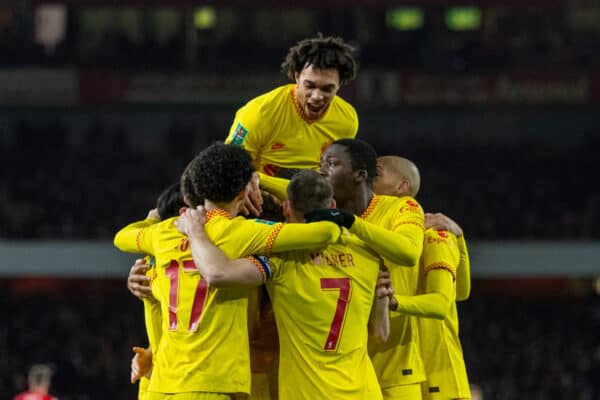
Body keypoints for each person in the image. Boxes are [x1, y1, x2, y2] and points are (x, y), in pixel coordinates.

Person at [114, 143, 342, 399]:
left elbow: (122, 237)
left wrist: (154, 218)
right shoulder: (242, 231)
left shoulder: (165, 232)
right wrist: (263, 181)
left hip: (165, 385)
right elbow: (328, 231)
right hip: (215, 382)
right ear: (244, 193)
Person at [176, 170, 392, 400]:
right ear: (333, 204)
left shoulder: (279, 259)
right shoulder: (368, 254)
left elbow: (218, 272)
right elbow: (380, 334)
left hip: (306, 393)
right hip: (363, 392)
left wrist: (194, 231)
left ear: (286, 208)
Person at [306, 139, 426, 400]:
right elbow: (294, 190)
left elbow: (408, 252)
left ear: (360, 175)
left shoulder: (402, 207)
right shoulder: (324, 215)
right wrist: (256, 178)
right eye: (321, 164)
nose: (322, 170)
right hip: (344, 369)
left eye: (332, 164)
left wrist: (352, 224)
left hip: (393, 368)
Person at [226, 34, 359, 215]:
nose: (317, 96)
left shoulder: (347, 119)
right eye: (310, 86)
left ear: (340, 85)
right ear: (296, 76)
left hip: (312, 209)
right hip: (261, 208)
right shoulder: (261, 112)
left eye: (327, 89)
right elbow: (229, 163)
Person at [373, 155, 472, 400]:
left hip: (440, 375)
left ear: (401, 187)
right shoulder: (383, 234)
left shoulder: (433, 232)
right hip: (401, 372)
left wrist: (393, 301)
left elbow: (453, 297)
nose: (369, 175)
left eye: (378, 172)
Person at [125, 182, 187, 399]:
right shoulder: (204, 263)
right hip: (182, 380)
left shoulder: (152, 262)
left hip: (161, 380)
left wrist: (150, 222)